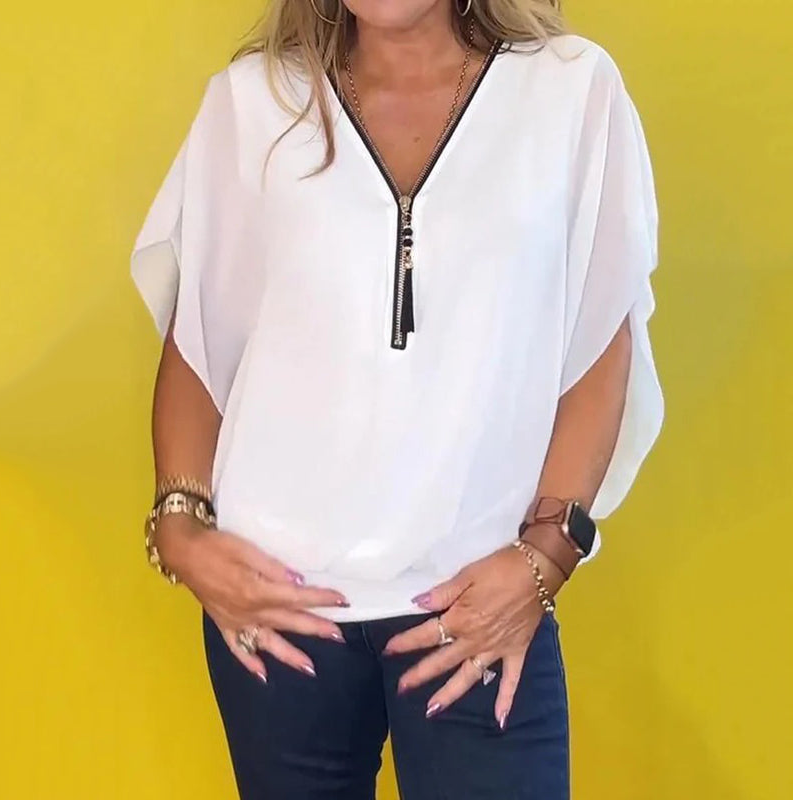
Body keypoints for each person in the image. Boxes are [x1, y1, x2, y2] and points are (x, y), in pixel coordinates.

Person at [130, 0, 663, 797]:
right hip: (280, 607)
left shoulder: (570, 91)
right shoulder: (254, 102)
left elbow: (599, 339)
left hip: (472, 602)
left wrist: (547, 555)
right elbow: (201, 337)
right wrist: (178, 528)